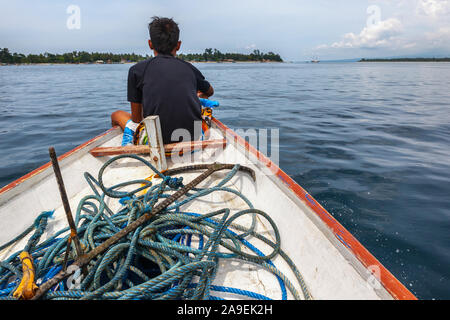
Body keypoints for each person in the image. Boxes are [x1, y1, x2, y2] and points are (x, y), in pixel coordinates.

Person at [111, 16, 214, 146]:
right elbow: (210, 91)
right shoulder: (190, 68)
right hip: (193, 137)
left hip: (155, 141)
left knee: (117, 115)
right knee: (202, 99)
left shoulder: (136, 70)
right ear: (178, 45)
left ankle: (130, 140)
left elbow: (137, 119)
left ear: (150, 44)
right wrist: (197, 95)